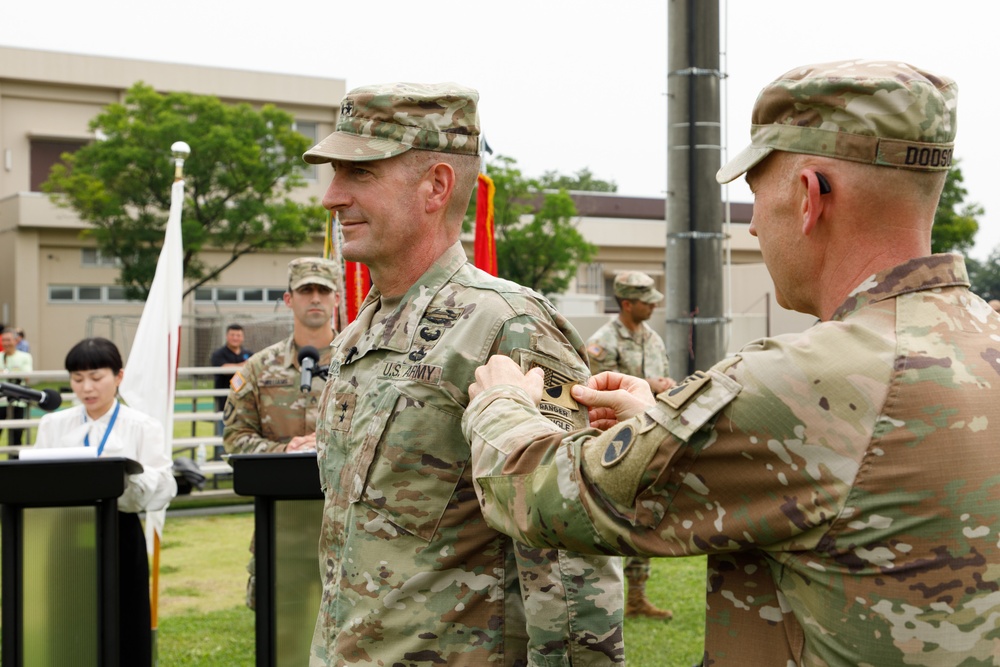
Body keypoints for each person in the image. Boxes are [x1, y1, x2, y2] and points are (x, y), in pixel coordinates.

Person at [463, 60, 1000, 666]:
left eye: (755, 199)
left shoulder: (806, 379)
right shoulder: (982, 341)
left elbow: (543, 496)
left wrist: (502, 402)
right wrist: (664, 422)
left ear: (809, 196)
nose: (750, 228)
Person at [303, 82, 624, 665]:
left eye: (360, 174)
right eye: (334, 174)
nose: (332, 196)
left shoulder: (507, 325)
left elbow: (570, 553)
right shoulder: (361, 333)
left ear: (436, 186)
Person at [33, 337, 176, 666]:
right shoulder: (53, 425)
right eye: (77, 379)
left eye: (96, 378)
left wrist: (125, 475)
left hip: (120, 531)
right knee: (66, 616)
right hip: (66, 533)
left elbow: (164, 486)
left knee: (126, 618)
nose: (86, 388)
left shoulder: (142, 426)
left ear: (119, 377)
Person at [224, 257, 339, 610]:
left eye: (324, 291)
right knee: (280, 630)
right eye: (306, 290)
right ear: (289, 299)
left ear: (337, 299)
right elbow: (235, 439)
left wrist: (328, 446)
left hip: (344, 526)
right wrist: (286, 449)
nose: (315, 298)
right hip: (281, 522)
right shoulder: (258, 369)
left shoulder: (363, 361)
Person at [588, 271, 675, 619]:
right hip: (611, 441)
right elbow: (595, 390)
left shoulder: (653, 338)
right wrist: (648, 384)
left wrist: (665, 386)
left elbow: (660, 381)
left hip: (647, 437)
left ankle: (636, 598)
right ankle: (602, 600)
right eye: (646, 300)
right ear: (626, 303)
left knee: (643, 515)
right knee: (608, 520)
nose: (654, 305)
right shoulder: (602, 342)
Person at [209, 323, 253, 440]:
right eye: (232, 335)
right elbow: (223, 368)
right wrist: (243, 366)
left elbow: (254, 369)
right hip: (225, 401)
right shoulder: (218, 354)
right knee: (223, 434)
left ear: (242, 337)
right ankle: (219, 456)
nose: (235, 338)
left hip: (245, 401)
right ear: (226, 336)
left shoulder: (248, 354)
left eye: (238, 335)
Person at [0, 327, 33, 446]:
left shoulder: (25, 356)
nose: (6, 343)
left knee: (16, 435)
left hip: (18, 400)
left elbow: (27, 376)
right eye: (3, 340)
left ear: (16, 341)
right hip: (1, 401)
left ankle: (14, 462)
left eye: (9, 340)